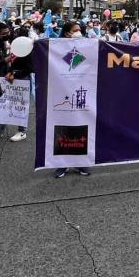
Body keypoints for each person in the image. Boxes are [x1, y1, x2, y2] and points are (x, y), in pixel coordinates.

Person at [54, 20, 90, 178]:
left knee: (82, 125)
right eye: (75, 30)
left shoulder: (88, 45)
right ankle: (62, 163)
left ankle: (81, 163)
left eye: (79, 30)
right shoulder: (56, 46)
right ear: (67, 32)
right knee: (62, 126)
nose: (78, 32)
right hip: (62, 91)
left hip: (83, 90)